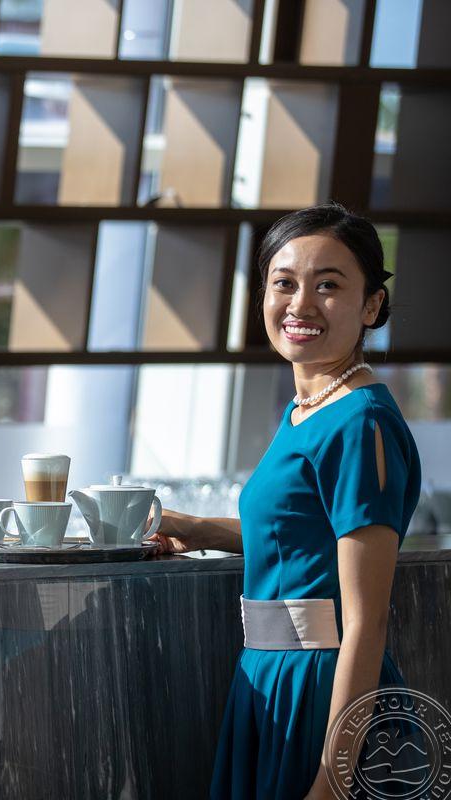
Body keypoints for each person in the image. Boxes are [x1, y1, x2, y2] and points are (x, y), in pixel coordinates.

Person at [148, 203, 422, 799]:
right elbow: (302, 542)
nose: (300, 305)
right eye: (284, 283)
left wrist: (334, 777)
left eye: (328, 285)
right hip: (270, 679)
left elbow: (366, 619)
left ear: (371, 305)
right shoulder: (309, 408)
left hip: (318, 694)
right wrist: (197, 528)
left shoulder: (360, 422)